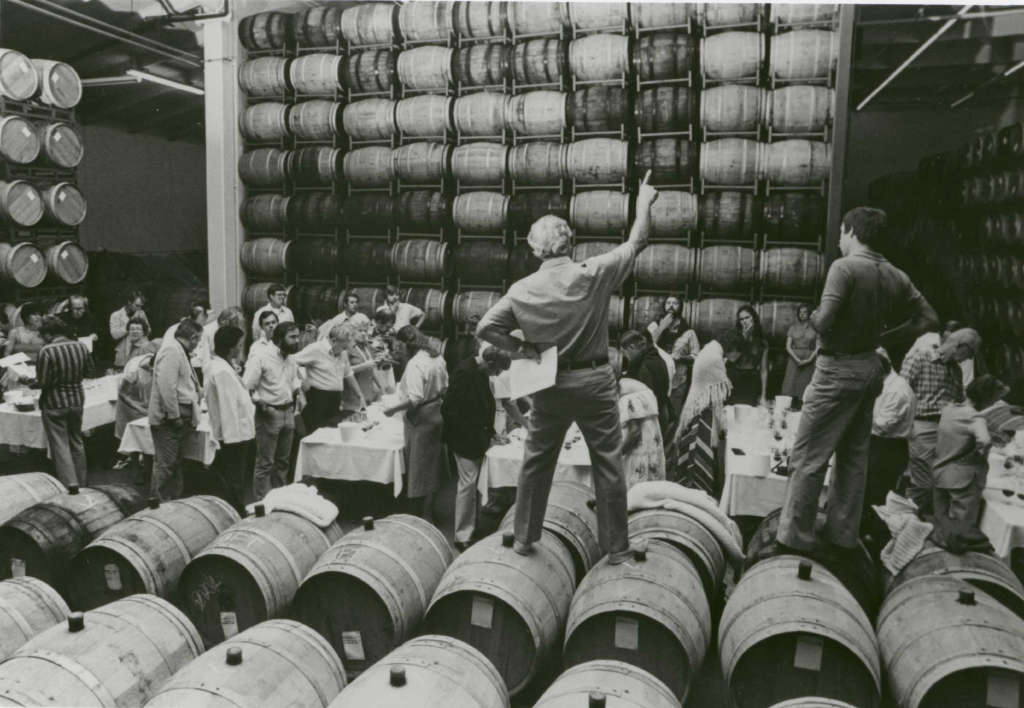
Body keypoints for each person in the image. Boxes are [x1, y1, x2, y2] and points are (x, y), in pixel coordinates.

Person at [476, 171, 660, 565]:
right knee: (608, 463)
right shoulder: (592, 273)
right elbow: (638, 241)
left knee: (537, 462)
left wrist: (522, 348)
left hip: (549, 383)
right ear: (569, 241)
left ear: (535, 250)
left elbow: (485, 328)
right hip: (595, 381)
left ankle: (524, 538)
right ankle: (616, 548)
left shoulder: (522, 290)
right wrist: (643, 201)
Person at [776, 207, 938, 554]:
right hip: (870, 367)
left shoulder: (844, 267)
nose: (838, 239)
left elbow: (823, 321)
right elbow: (929, 318)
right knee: (852, 459)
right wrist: (885, 337)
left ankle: (795, 539)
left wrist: (815, 317)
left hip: (836, 368)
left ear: (851, 231)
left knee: (808, 457)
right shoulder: (896, 275)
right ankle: (842, 535)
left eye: (841, 232)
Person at [442, 345, 512, 550]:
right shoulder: (464, 372)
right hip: (464, 439)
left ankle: (471, 527)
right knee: (468, 485)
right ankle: (461, 536)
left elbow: (486, 405)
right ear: (489, 363)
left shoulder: (480, 371)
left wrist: (492, 433)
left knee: (474, 484)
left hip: (477, 437)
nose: (497, 374)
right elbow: (449, 409)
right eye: (497, 370)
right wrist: (471, 434)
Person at [901, 327, 979, 512]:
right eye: (970, 354)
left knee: (942, 484)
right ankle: (894, 521)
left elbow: (959, 402)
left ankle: (911, 522)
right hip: (923, 427)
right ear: (960, 346)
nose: (968, 359)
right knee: (924, 484)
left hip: (948, 433)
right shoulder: (920, 358)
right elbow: (901, 394)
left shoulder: (956, 371)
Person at [383, 326, 449, 524]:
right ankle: (427, 510)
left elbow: (414, 398)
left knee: (419, 466)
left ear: (407, 343)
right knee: (431, 465)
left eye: (400, 344)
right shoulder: (437, 358)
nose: (399, 348)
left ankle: (423, 515)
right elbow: (445, 387)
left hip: (420, 416)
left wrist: (392, 409)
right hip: (436, 411)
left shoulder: (415, 364)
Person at [670, 331, 744, 494]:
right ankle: (697, 490)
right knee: (698, 453)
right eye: (739, 352)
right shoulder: (714, 357)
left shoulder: (711, 348)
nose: (738, 357)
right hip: (701, 412)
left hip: (699, 407)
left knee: (693, 452)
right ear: (733, 347)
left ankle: (692, 487)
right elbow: (721, 389)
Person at [244, 321, 304, 500]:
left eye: (297, 336)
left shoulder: (290, 356)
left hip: (288, 411)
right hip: (269, 414)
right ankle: (262, 504)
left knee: (283, 462)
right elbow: (247, 386)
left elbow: (293, 379)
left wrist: (299, 392)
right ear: (279, 339)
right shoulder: (261, 357)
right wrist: (262, 405)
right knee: (265, 463)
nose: (297, 340)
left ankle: (279, 501)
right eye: (292, 337)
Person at [861, 348, 916, 541]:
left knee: (876, 496)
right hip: (878, 446)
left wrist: (858, 415)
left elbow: (882, 427)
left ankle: (871, 540)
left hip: (887, 449)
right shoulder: (886, 384)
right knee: (867, 493)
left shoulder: (897, 391)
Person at [34, 316, 94, 487]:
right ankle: (82, 484)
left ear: (48, 334)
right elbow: (90, 372)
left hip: (54, 403)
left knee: (60, 447)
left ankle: (71, 487)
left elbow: (42, 382)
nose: (41, 339)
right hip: (77, 400)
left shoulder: (46, 351)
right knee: (77, 442)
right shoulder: (80, 346)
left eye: (41, 335)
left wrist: (26, 379)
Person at [149, 318, 203, 502]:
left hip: (178, 420)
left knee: (174, 464)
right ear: (193, 338)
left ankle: (174, 504)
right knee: (165, 466)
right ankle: (158, 505)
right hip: (169, 422)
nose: (198, 344)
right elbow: (166, 387)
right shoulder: (171, 350)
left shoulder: (178, 349)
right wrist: (174, 417)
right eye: (198, 340)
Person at [205, 325, 256, 515]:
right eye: (240, 345)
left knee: (235, 479)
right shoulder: (222, 371)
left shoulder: (222, 366)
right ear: (230, 347)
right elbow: (228, 408)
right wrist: (232, 440)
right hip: (234, 436)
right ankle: (234, 514)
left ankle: (234, 511)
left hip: (236, 434)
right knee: (235, 480)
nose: (241, 348)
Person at [932, 375, 996, 526]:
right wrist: (975, 456)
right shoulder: (976, 418)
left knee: (940, 522)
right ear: (987, 399)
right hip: (963, 478)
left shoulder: (949, 409)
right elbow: (985, 441)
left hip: (940, 472)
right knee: (961, 527)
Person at [293, 324, 367, 433]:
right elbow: (291, 362)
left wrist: (360, 396)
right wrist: (302, 380)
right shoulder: (315, 348)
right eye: (343, 346)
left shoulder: (343, 353)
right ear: (334, 341)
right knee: (317, 437)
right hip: (317, 401)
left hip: (335, 400)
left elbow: (348, 375)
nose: (345, 350)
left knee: (333, 435)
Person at [112, 343, 159, 473]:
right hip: (130, 402)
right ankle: (136, 468)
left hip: (147, 399)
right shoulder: (134, 370)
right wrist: (140, 409)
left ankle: (148, 467)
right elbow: (123, 394)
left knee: (147, 436)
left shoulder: (157, 360)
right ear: (151, 368)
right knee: (134, 436)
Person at [619, 329, 672, 435]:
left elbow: (644, 403)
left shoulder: (644, 367)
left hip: (652, 421)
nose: (624, 356)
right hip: (663, 413)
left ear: (632, 348)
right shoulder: (655, 357)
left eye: (624, 352)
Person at [618, 376, 666, 489]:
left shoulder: (627, 396)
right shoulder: (642, 390)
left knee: (635, 488)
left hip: (639, 448)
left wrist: (617, 455)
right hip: (651, 443)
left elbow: (634, 432)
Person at [781, 302, 820, 406]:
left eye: (805, 312)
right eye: (800, 312)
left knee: (805, 386)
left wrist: (810, 359)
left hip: (810, 360)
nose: (802, 314)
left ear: (810, 313)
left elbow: (818, 347)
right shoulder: (793, 328)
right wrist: (796, 359)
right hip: (794, 360)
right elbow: (788, 346)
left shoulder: (816, 329)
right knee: (791, 384)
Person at [342, 321, 384, 418]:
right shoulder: (347, 346)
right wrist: (364, 365)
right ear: (352, 331)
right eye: (360, 330)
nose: (363, 333)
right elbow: (344, 371)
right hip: (353, 396)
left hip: (368, 392)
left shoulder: (366, 345)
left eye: (365, 330)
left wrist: (381, 387)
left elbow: (371, 368)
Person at [728, 305, 769, 406]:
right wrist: (744, 338)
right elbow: (731, 359)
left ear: (754, 318)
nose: (744, 321)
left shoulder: (763, 342)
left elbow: (764, 370)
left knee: (749, 411)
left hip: (751, 380)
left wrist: (763, 395)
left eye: (747, 317)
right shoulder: (734, 337)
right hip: (733, 378)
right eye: (741, 319)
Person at [199, 307, 245, 375]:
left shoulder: (228, 331)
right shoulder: (206, 333)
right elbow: (203, 360)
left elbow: (228, 352)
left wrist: (233, 364)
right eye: (235, 326)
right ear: (225, 322)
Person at [111, 291, 150, 368]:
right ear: (129, 302)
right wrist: (130, 323)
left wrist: (144, 324)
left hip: (138, 352)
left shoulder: (141, 313)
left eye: (141, 306)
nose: (139, 308)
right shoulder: (116, 315)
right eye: (137, 306)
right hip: (122, 354)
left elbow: (148, 332)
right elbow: (115, 335)